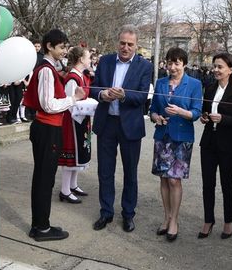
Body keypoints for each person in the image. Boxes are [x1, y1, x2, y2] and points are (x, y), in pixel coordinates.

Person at [23, 29, 85, 242]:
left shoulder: (48, 68)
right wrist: (73, 99)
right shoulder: (47, 70)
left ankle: (41, 224)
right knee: (44, 178)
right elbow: (48, 104)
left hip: (48, 128)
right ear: (49, 46)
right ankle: (41, 227)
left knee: (44, 178)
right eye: (61, 47)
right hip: (47, 129)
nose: (64, 51)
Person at [90, 24, 153, 232]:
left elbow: (143, 96)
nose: (125, 47)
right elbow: (94, 87)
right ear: (118, 42)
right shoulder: (106, 61)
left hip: (130, 126)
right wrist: (102, 94)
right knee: (105, 171)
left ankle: (128, 214)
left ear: (136, 46)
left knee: (130, 173)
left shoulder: (145, 66)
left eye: (130, 44)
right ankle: (106, 212)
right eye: (122, 43)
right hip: (107, 122)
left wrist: (124, 94)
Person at [150, 47, 202, 242]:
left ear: (184, 64)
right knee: (163, 179)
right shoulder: (161, 82)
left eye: (177, 63)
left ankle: (175, 220)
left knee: (174, 180)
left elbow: (196, 112)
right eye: (169, 63)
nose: (172, 67)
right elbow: (153, 109)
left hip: (182, 137)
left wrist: (180, 111)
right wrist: (157, 118)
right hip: (162, 135)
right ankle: (166, 217)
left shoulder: (194, 84)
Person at [198, 52, 232, 240]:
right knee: (207, 183)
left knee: (227, 184)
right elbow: (205, 110)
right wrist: (205, 117)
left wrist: (223, 118)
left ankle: (228, 221)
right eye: (215, 66)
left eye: (220, 67)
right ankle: (208, 220)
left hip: (229, 144)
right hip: (209, 142)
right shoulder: (210, 88)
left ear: (231, 69)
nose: (216, 70)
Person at [58, 46, 92, 204]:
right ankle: (64, 190)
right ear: (81, 59)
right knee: (70, 155)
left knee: (80, 153)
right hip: (72, 120)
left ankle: (73, 185)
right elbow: (70, 101)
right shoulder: (73, 77)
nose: (90, 59)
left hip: (81, 119)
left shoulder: (81, 76)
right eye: (88, 57)